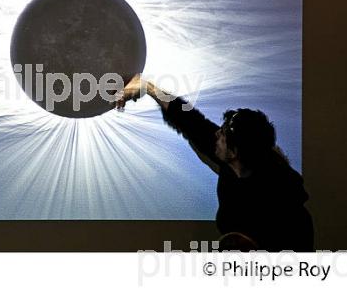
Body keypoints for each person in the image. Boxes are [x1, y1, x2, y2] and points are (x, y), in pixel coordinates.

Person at [114, 74, 314, 251]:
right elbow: (189, 120)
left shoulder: (285, 205)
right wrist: (147, 87)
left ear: (235, 152)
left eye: (223, 134)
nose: (217, 133)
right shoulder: (234, 161)